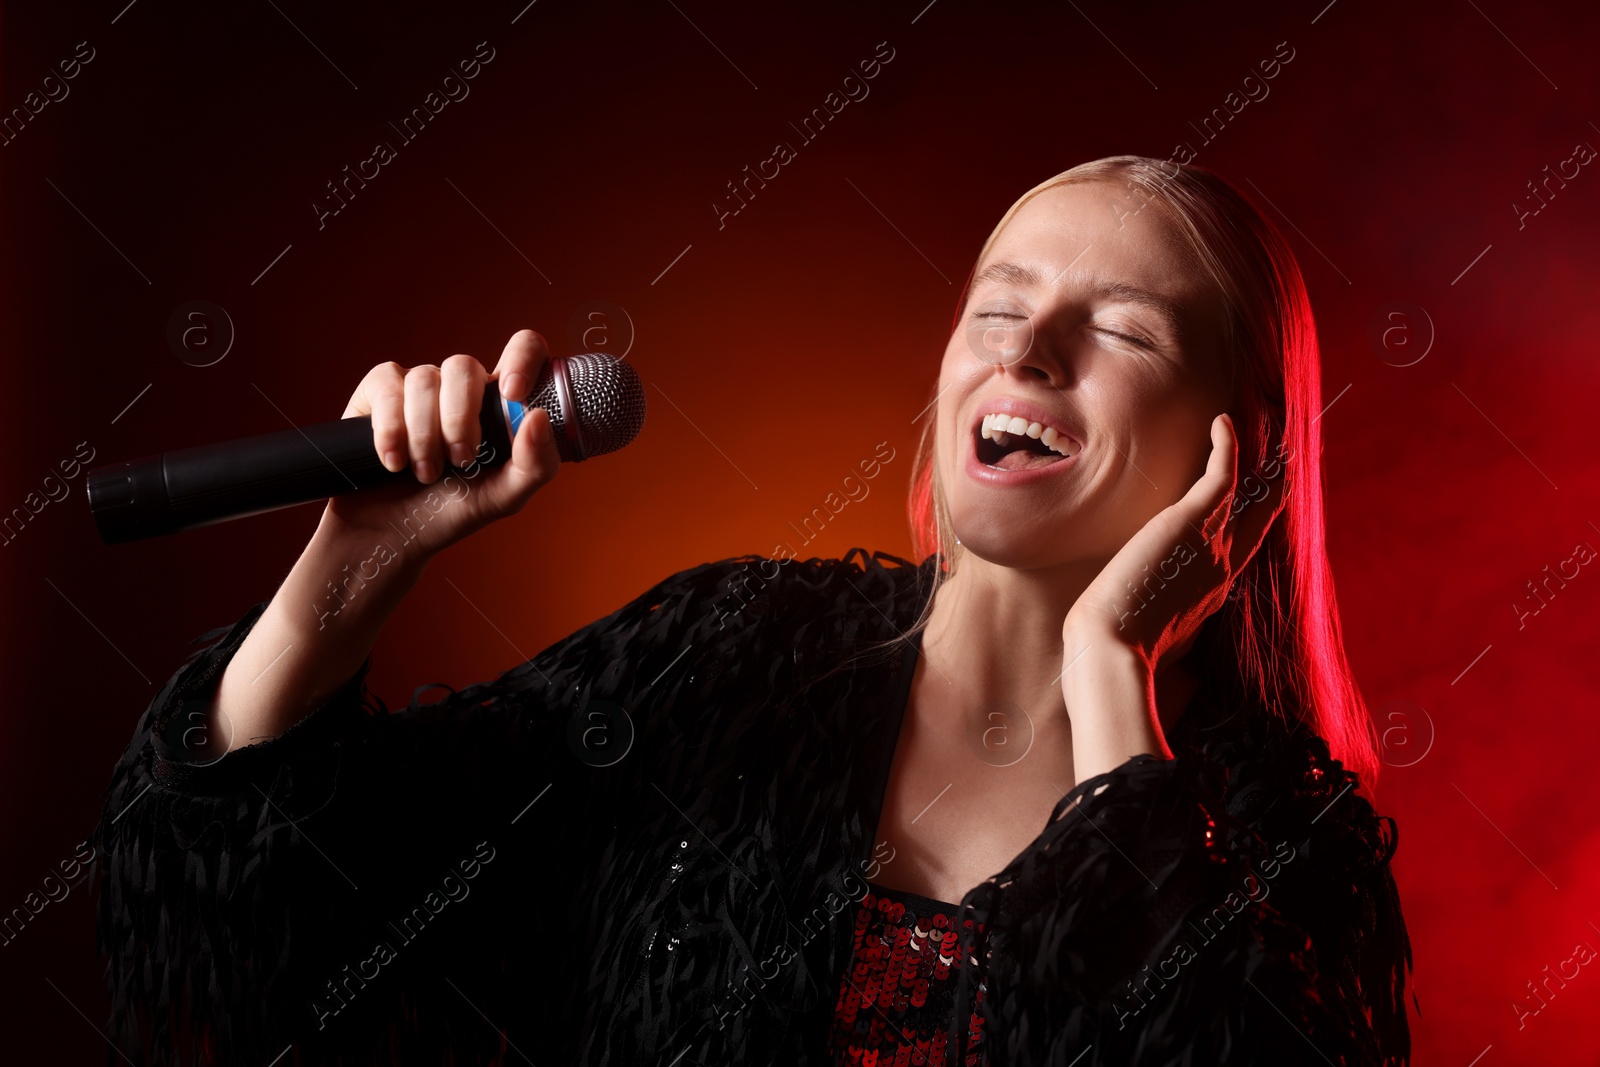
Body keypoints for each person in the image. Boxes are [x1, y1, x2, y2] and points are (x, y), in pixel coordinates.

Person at [93, 155, 1413, 1066]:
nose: (1025, 349)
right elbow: (254, 901)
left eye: (1120, 331)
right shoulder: (728, 664)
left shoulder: (1290, 841)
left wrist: (1110, 675)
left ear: (1233, 456)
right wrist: (357, 557)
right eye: (997, 305)